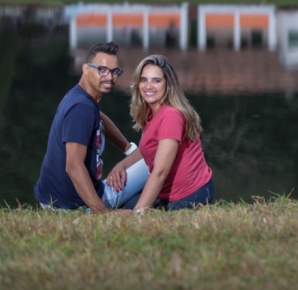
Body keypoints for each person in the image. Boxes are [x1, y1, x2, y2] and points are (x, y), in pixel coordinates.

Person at [34, 42, 149, 213]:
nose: (110, 77)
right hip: (74, 207)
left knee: (144, 155)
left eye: (114, 72)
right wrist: (105, 216)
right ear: (86, 69)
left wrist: (128, 148)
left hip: (53, 200)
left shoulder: (79, 98)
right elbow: (73, 166)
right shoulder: (82, 108)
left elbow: (99, 117)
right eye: (102, 69)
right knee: (157, 156)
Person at [109, 55, 214, 213]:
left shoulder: (171, 116)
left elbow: (160, 172)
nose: (148, 86)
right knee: (123, 207)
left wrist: (137, 215)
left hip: (190, 194)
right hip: (165, 192)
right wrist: (122, 165)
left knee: (131, 214)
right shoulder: (153, 112)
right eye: (143, 80)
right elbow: (150, 148)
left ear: (168, 84)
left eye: (156, 80)